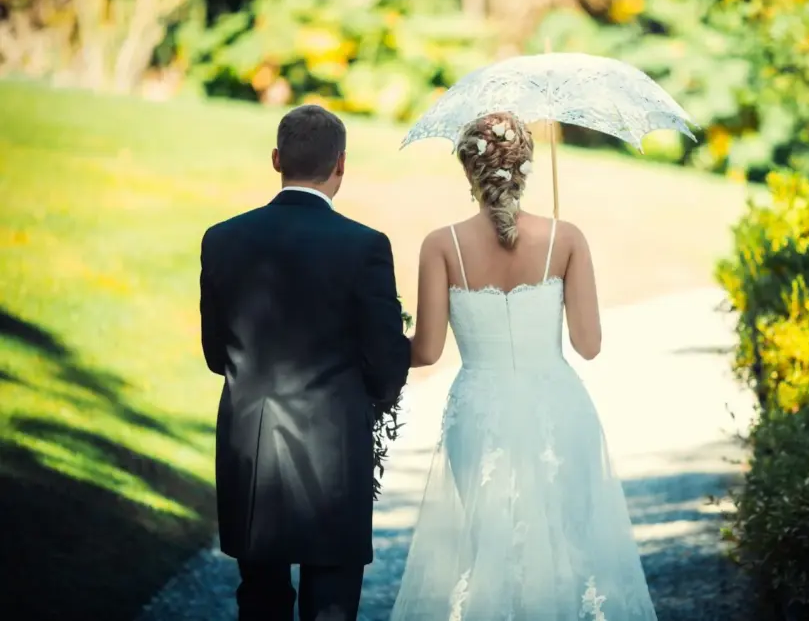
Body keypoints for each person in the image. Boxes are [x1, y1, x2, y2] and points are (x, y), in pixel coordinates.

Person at [389, 111, 658, 619]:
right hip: (557, 405)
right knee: (565, 545)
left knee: (489, 545)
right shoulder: (566, 238)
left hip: (479, 413)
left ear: (469, 171)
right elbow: (589, 344)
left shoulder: (441, 245)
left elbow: (424, 352)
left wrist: (373, 341)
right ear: (526, 166)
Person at [199, 105, 411, 621]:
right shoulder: (365, 246)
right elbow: (387, 366)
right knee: (332, 604)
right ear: (342, 164)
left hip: (250, 451)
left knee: (260, 602)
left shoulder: (221, 238)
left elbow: (214, 355)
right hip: (334, 455)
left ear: (276, 159)